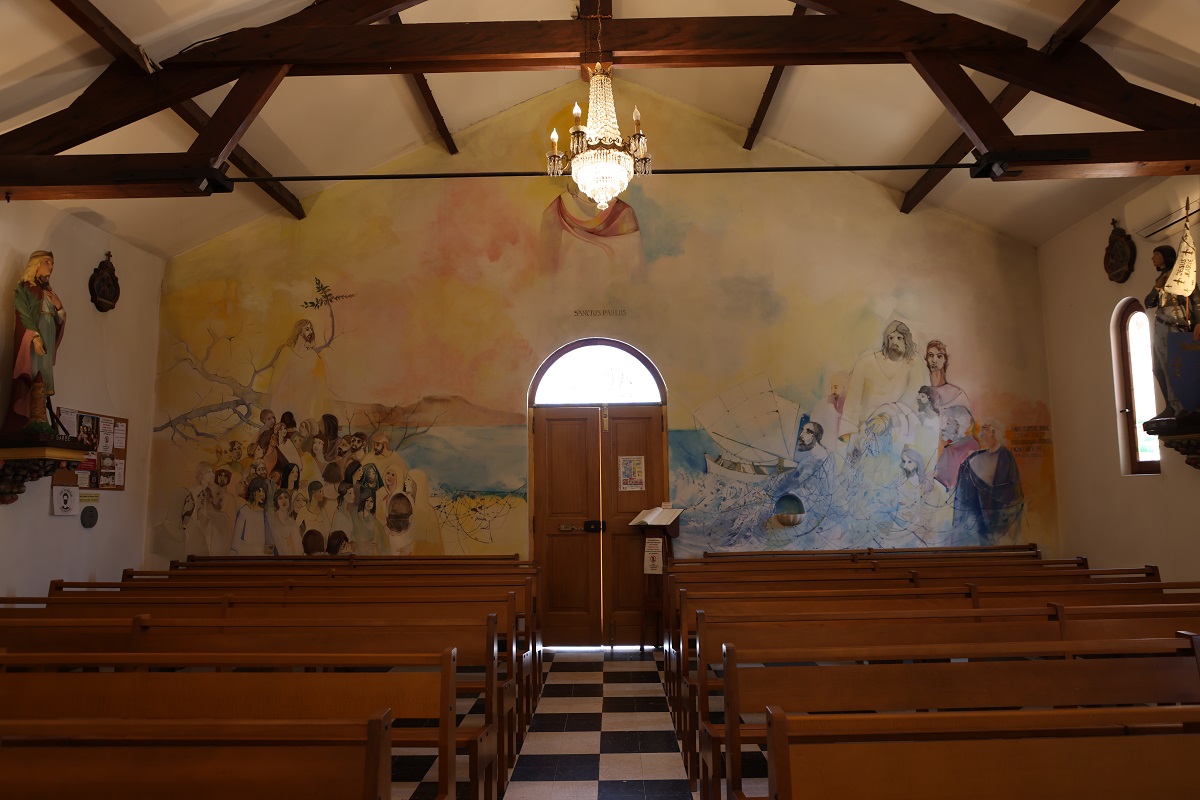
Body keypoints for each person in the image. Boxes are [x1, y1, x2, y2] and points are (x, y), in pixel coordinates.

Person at [4, 251, 67, 435]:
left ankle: (41, 416)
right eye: (47, 261)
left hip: (47, 339)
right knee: (32, 375)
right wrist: (35, 336)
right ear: (36, 264)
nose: (51, 266)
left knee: (44, 378)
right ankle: (30, 417)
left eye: (53, 262)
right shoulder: (25, 287)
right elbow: (22, 312)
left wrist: (60, 307)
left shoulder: (49, 292)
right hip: (33, 341)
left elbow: (58, 321)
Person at [838, 320, 918, 444]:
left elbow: (912, 406)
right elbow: (851, 406)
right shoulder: (865, 363)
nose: (894, 342)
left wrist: (888, 418)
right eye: (891, 338)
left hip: (895, 435)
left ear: (906, 341)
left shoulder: (913, 367)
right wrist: (849, 440)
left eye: (899, 338)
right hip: (863, 435)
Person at [1144, 245, 1200, 418]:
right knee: (1158, 367)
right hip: (1160, 324)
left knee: (1177, 365)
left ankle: (1183, 405)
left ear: (1166, 256)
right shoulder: (1160, 278)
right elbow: (1149, 303)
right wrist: (1157, 287)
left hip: (1175, 324)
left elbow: (1195, 298)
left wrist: (1199, 322)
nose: (1153, 257)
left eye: (1156, 254)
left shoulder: (1181, 276)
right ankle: (1170, 405)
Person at [953, 419, 1023, 541]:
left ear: (994, 433)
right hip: (975, 524)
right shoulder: (974, 458)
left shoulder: (1006, 458)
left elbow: (1012, 496)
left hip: (1000, 525)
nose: (980, 435)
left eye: (984, 430)